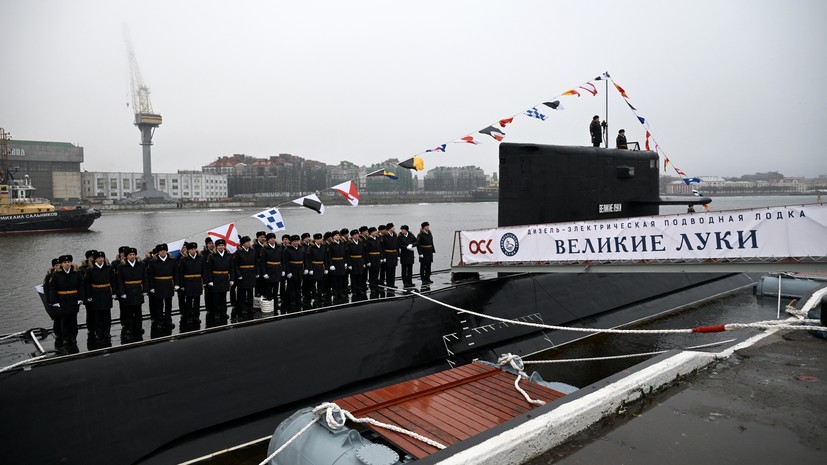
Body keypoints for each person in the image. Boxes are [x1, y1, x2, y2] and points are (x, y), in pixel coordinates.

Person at [49, 254, 85, 353]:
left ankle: (73, 338)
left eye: (69, 262)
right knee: (64, 321)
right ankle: (65, 338)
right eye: (65, 262)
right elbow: (53, 289)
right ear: (61, 264)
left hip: (73, 299)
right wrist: (54, 301)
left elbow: (81, 286)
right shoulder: (56, 275)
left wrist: (81, 298)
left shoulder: (76, 273)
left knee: (73, 320)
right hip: (62, 300)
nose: (67, 264)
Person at [116, 247, 148, 341]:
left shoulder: (141, 265)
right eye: (130, 255)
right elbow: (120, 281)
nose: (132, 256)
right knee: (129, 312)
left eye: (134, 254)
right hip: (128, 291)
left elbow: (145, 278)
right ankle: (130, 329)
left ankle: (138, 328)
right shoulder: (122, 267)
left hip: (138, 290)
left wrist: (145, 290)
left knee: (138, 311)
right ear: (126, 256)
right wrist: (122, 293)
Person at [84, 251, 115, 345]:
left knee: (106, 315)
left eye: (102, 258)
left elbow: (113, 281)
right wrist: (88, 296)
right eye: (99, 258)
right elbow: (87, 284)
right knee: (97, 315)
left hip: (106, 293)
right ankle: (99, 333)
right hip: (95, 294)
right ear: (95, 259)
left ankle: (107, 332)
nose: (101, 259)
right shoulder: (90, 270)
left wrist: (113, 292)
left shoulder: (109, 268)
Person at [177, 242, 206, 326]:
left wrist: (204, 282)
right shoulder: (183, 259)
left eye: (194, 249)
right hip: (188, 282)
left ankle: (196, 316)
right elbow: (181, 273)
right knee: (189, 300)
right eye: (191, 249)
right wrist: (181, 285)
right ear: (188, 250)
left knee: (197, 300)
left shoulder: (200, 258)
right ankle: (189, 317)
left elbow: (204, 271)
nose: (193, 251)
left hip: (197, 281)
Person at [147, 244, 176, 329]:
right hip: (158, 284)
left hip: (168, 284)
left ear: (167, 251)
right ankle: (159, 321)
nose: (163, 252)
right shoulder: (153, 262)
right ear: (158, 252)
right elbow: (150, 275)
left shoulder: (172, 260)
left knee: (168, 304)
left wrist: (176, 284)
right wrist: (151, 287)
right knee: (159, 304)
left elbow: (176, 273)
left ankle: (168, 320)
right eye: (161, 251)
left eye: (164, 250)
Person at [207, 238, 234, 324]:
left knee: (223, 297)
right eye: (219, 245)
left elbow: (231, 269)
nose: (221, 247)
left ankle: (223, 312)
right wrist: (210, 280)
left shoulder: (228, 256)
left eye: (222, 245)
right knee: (216, 298)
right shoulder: (212, 256)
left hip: (225, 278)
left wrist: (232, 279)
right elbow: (209, 269)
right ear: (216, 247)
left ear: (224, 246)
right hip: (216, 278)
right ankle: (217, 313)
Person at [259, 232, 285, 313]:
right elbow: (262, 262)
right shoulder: (265, 249)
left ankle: (276, 303)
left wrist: (283, 270)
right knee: (269, 288)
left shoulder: (279, 248)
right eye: (271, 238)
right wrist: (264, 273)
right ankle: (270, 303)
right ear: (268, 240)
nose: (273, 239)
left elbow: (282, 260)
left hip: (277, 269)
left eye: (273, 238)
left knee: (276, 288)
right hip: (269, 270)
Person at [233, 235, 257, 319]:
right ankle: (243, 308)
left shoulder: (252, 251)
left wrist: (256, 272)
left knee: (250, 292)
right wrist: (238, 275)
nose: (249, 243)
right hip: (243, 274)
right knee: (242, 292)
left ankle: (250, 307)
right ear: (243, 243)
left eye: (249, 242)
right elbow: (236, 265)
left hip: (251, 273)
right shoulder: (238, 252)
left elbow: (256, 262)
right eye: (247, 242)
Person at [284, 235, 307, 311]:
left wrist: (306, 268)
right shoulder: (288, 250)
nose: (296, 242)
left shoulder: (302, 249)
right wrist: (288, 272)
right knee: (291, 287)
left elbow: (305, 259)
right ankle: (292, 301)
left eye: (297, 241)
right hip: (292, 269)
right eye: (294, 241)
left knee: (298, 286)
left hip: (300, 270)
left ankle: (298, 300)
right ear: (291, 242)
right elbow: (286, 262)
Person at [306, 232, 328, 306]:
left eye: (320, 239)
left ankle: (319, 295)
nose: (319, 240)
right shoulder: (311, 248)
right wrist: (310, 269)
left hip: (321, 266)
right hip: (314, 266)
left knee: (321, 282)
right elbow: (309, 259)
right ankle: (314, 295)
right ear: (314, 240)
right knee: (313, 282)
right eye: (317, 239)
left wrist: (326, 268)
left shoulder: (323, 247)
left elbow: (325, 258)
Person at [327, 230, 347, 303]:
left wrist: (345, 262)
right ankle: (335, 293)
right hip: (334, 263)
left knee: (341, 279)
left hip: (341, 263)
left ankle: (340, 293)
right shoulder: (331, 245)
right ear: (333, 237)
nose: (338, 236)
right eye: (336, 235)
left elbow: (345, 254)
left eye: (338, 235)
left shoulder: (342, 244)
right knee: (335, 280)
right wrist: (331, 264)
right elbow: (329, 256)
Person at [346, 229, 366, 300]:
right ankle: (354, 290)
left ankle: (359, 289)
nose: (357, 236)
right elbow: (348, 255)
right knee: (354, 277)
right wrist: (349, 264)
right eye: (355, 235)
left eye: (357, 234)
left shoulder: (361, 242)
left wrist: (364, 262)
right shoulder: (349, 244)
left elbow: (363, 253)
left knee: (360, 276)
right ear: (352, 236)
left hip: (360, 260)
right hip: (353, 261)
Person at [365, 227, 383, 294]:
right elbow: (366, 252)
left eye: (376, 231)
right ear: (371, 233)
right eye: (374, 232)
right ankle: (372, 287)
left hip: (377, 257)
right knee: (372, 273)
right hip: (372, 258)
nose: (376, 233)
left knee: (376, 272)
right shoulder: (368, 240)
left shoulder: (378, 239)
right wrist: (368, 261)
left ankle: (376, 286)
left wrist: (381, 257)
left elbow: (380, 249)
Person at [383, 223, 400, 290]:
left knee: (393, 269)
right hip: (388, 254)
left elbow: (397, 246)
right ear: (389, 228)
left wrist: (398, 255)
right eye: (392, 227)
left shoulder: (395, 236)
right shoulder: (385, 237)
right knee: (388, 270)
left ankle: (392, 284)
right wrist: (384, 257)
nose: (394, 228)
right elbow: (383, 247)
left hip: (394, 255)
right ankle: (389, 284)